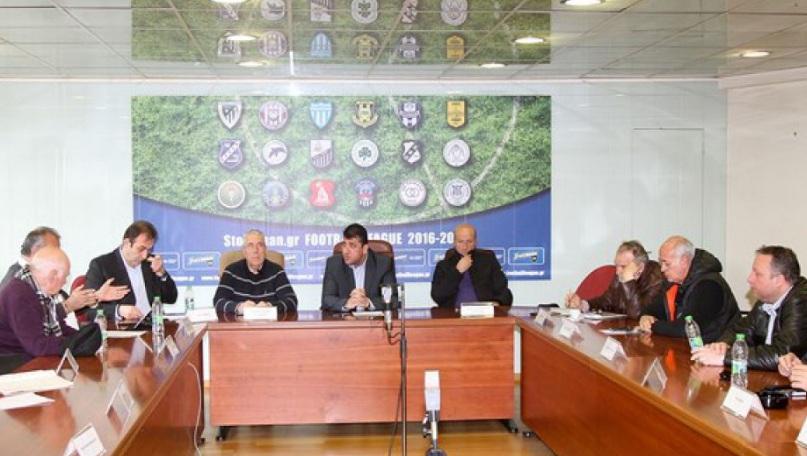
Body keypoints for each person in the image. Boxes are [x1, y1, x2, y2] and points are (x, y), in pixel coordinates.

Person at [694, 246, 807, 370]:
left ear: (778, 280)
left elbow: (782, 354)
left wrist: (725, 357)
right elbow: (740, 330)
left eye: (757, 274)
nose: (750, 279)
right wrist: (723, 344)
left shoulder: (801, 302)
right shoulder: (766, 299)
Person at [639, 236, 739, 343]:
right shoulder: (674, 282)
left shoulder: (709, 285)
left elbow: (686, 329)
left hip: (716, 348)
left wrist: (652, 325)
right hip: (688, 347)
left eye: (667, 264)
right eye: (661, 263)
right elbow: (653, 309)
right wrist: (646, 317)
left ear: (684, 261)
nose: (662, 269)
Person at [85, 220, 177, 321]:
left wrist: (162, 274)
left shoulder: (150, 262)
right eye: (141, 249)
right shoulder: (101, 265)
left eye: (149, 250)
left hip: (153, 324)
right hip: (123, 327)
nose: (145, 255)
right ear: (126, 243)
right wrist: (118, 311)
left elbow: (171, 298)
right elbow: (89, 311)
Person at [0, 246, 80, 357]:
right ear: (53, 276)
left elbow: (59, 328)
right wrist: (76, 343)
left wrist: (82, 337)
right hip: (10, 358)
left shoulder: (40, 291)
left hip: (26, 354)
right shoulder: (18, 294)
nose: (65, 282)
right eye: (65, 277)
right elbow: (37, 346)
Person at [566, 240, 663, 318]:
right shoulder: (620, 275)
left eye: (623, 266)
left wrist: (628, 282)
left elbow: (637, 315)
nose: (617, 271)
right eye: (616, 265)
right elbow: (605, 301)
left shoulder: (656, 280)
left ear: (640, 268)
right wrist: (582, 304)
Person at [214, 229, 297, 315]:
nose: (255, 250)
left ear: (265, 250)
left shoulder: (277, 271)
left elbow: (292, 301)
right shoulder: (231, 271)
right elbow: (218, 301)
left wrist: (270, 306)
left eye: (260, 245)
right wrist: (239, 307)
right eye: (250, 245)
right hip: (239, 322)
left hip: (268, 322)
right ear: (244, 251)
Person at [431, 223, 513, 308]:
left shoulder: (488, 260)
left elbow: (504, 292)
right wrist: (457, 272)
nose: (465, 246)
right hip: (453, 313)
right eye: (460, 241)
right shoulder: (443, 265)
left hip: (484, 313)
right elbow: (437, 296)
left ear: (475, 242)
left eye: (469, 241)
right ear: (454, 242)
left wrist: (497, 303)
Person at [321, 223, 396, 312]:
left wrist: (368, 302)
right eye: (344, 245)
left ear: (365, 249)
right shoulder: (334, 264)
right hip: (344, 319)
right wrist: (347, 303)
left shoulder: (383, 264)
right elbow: (327, 299)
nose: (345, 251)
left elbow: (393, 299)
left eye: (352, 245)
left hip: (373, 320)